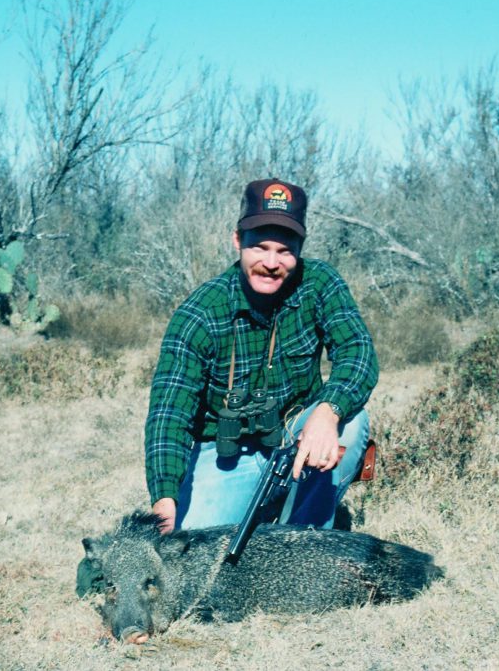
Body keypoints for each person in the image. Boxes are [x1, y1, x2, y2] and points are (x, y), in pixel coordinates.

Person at [144, 177, 379, 535]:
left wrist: (327, 412)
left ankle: (304, 540)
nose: (271, 262)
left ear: (300, 249)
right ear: (238, 241)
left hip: (294, 436)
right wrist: (164, 503)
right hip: (223, 456)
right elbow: (169, 416)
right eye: (260, 247)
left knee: (352, 422)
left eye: (285, 250)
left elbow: (358, 353)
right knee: (191, 548)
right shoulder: (200, 313)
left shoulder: (320, 284)